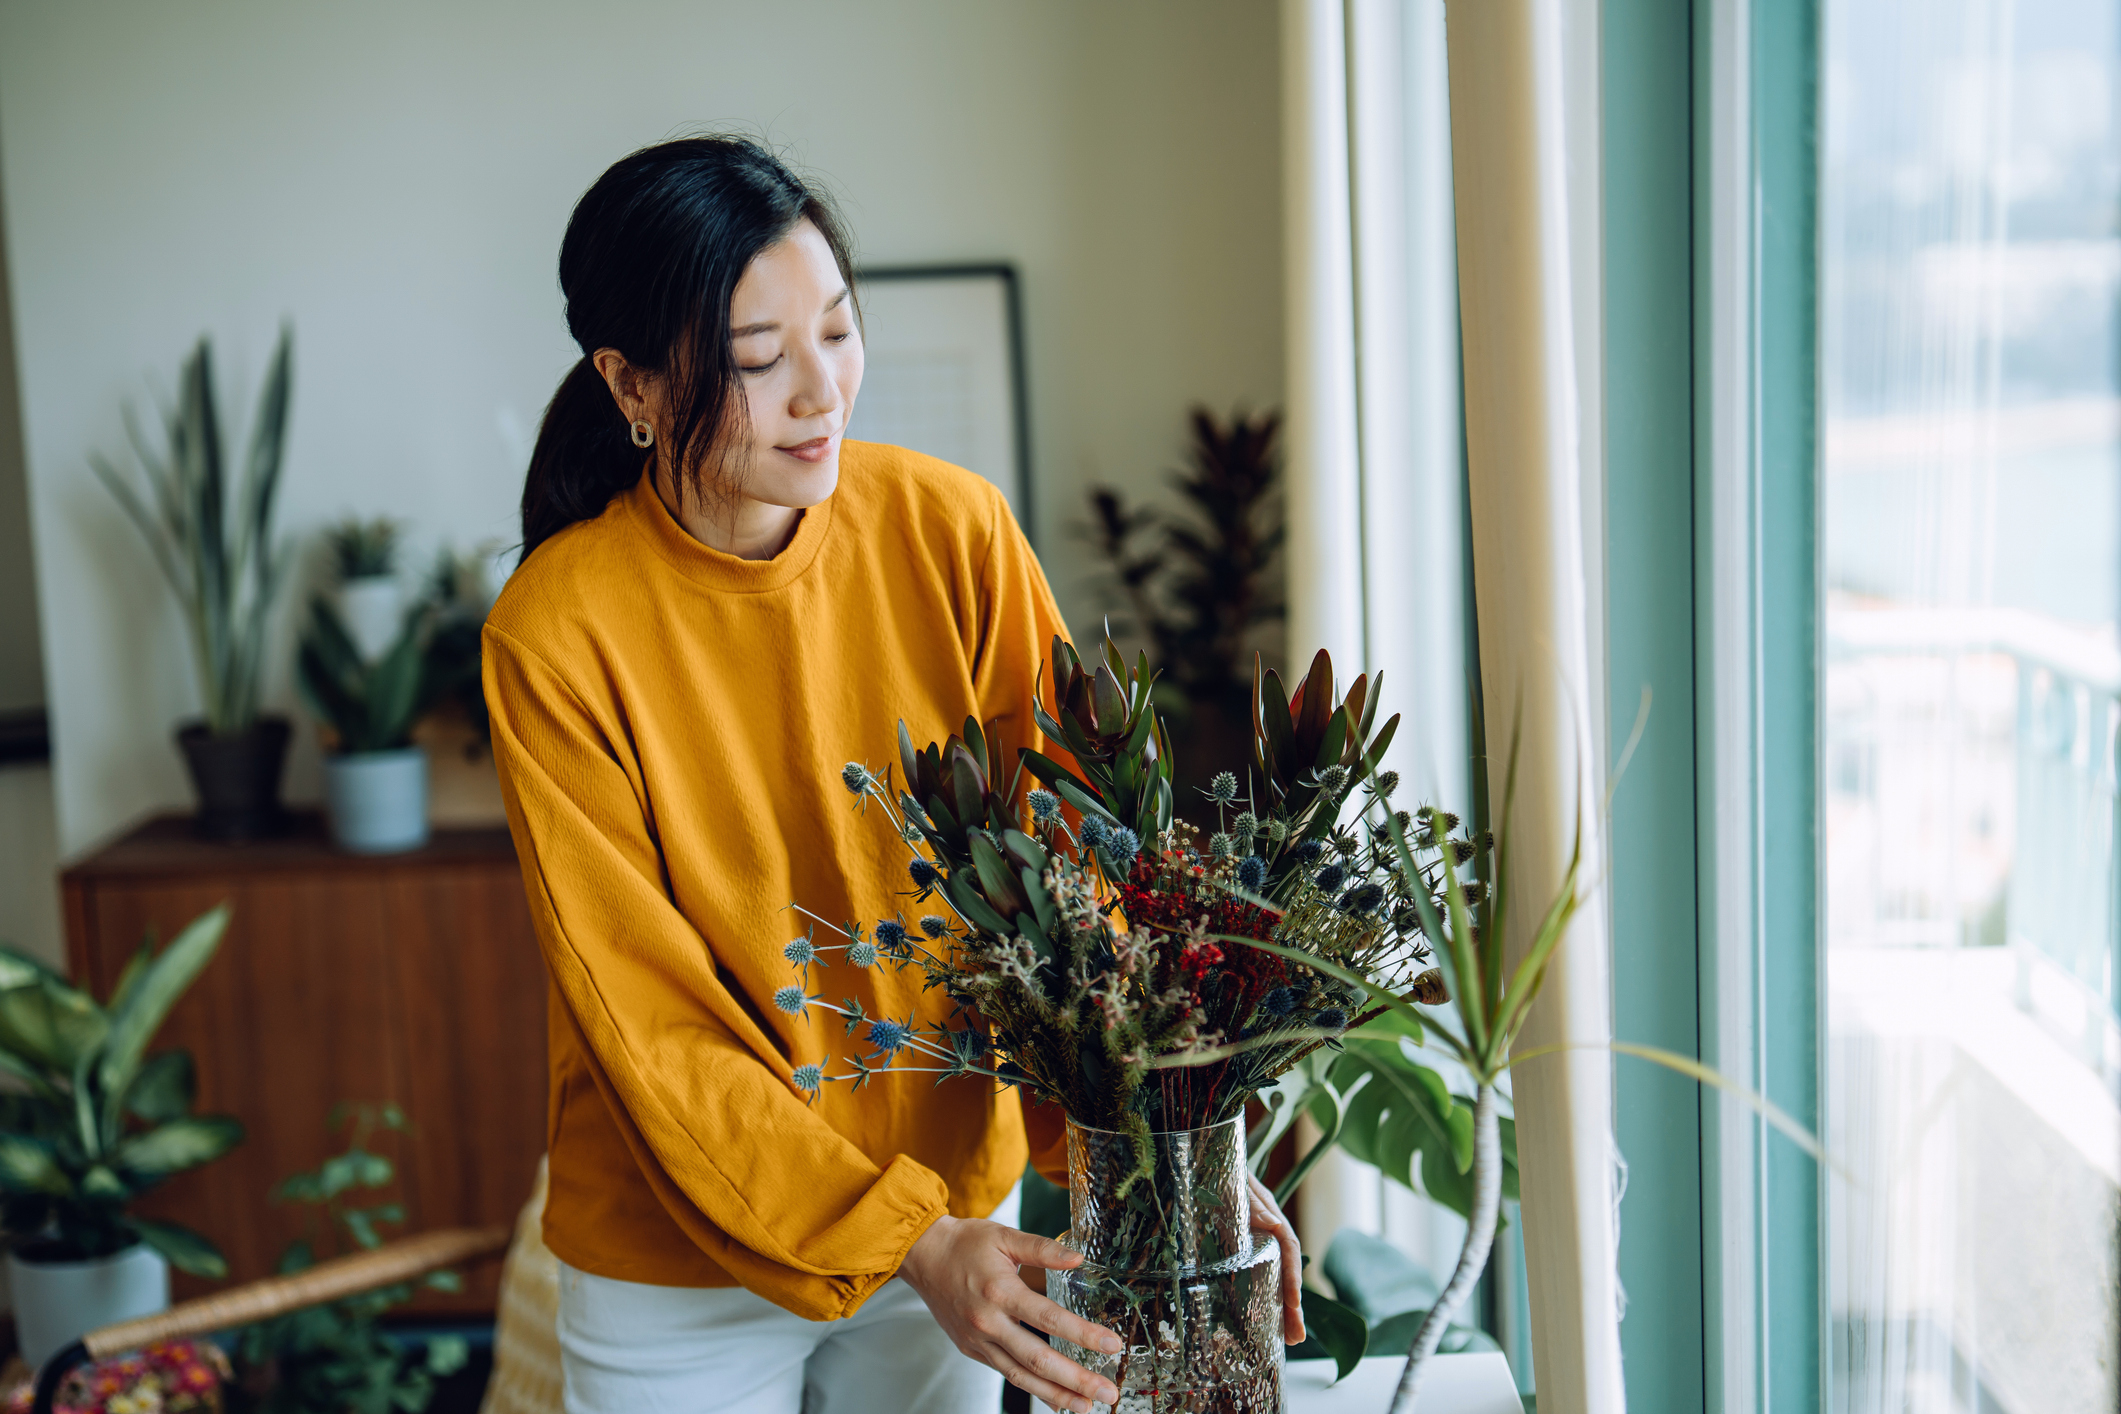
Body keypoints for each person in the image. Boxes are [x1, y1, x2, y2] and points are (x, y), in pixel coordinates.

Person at [483, 135, 1302, 1414]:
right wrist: (907, 1241)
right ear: (629, 383)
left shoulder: (954, 532)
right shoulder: (555, 630)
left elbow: (1071, 871)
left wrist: (1158, 1154)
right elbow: (648, 1023)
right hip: (680, 1265)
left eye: (838, 331)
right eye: (758, 360)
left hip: (956, 1219)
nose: (821, 392)